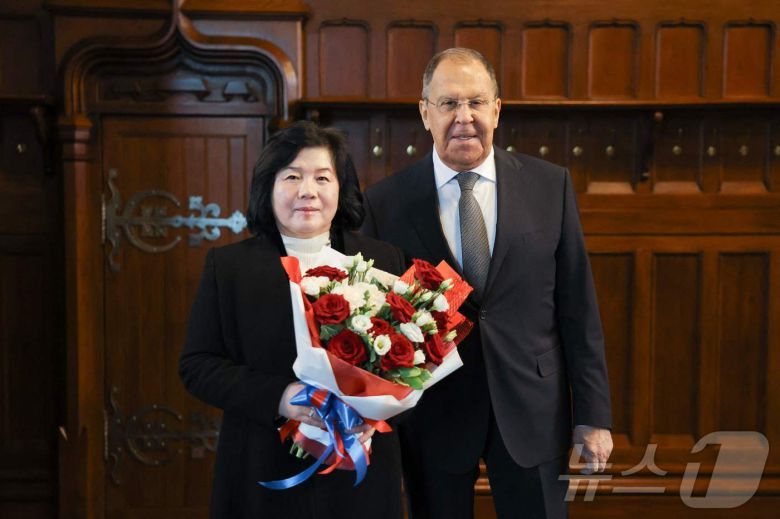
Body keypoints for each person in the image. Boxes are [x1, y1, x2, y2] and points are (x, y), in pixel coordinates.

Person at [361, 48, 613, 519]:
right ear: (425, 113)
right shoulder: (384, 203)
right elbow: (378, 324)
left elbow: (579, 309)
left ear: (497, 110)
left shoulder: (550, 186)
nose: (464, 117)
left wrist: (593, 415)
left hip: (533, 409)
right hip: (435, 416)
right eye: (449, 103)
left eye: (476, 102)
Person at [179, 121, 405, 519]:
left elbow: (412, 362)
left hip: (361, 471)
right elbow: (197, 366)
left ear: (341, 188)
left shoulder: (382, 260)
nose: (308, 191)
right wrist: (282, 397)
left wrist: (378, 409)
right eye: (292, 176)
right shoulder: (229, 268)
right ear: (268, 187)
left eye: (322, 177)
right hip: (262, 467)